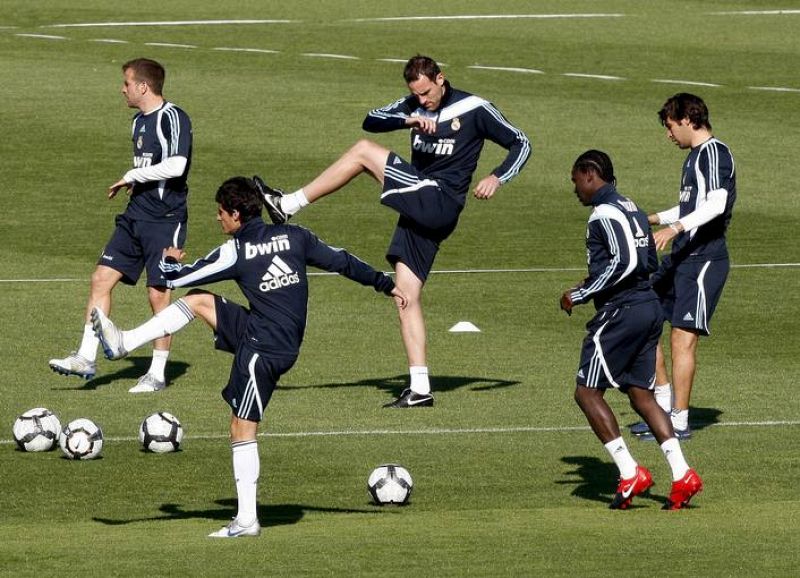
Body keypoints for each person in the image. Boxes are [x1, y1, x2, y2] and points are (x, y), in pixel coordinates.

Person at [91, 176, 406, 537]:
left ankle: (246, 520)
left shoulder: (235, 251)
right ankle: (124, 342)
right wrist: (385, 284)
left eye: (221, 213)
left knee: (242, 427)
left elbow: (174, 278)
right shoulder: (296, 237)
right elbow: (343, 262)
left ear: (237, 214)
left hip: (264, 349)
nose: (218, 219)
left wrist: (168, 260)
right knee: (199, 301)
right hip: (270, 334)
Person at [256, 54, 531, 408]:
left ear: (441, 79)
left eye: (427, 93)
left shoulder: (474, 108)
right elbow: (371, 119)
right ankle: (420, 389)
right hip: (418, 207)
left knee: (362, 152)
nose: (422, 100)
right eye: (416, 95)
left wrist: (498, 177)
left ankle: (288, 204)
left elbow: (522, 142)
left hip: (439, 199)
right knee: (405, 295)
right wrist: (409, 119)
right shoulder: (412, 107)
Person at [561, 150, 702, 510]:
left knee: (587, 393)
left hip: (620, 311)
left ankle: (629, 471)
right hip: (647, 306)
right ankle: (682, 472)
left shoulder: (604, 213)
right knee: (640, 394)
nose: (574, 187)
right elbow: (648, 260)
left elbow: (624, 263)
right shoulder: (632, 207)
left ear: (591, 175)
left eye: (576, 179)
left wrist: (581, 293)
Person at [49, 57, 193, 393]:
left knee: (158, 295)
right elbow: (152, 167)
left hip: (164, 220)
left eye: (126, 83)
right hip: (134, 216)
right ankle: (86, 356)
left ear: (143, 86)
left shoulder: (173, 118)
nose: (122, 89)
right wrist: (136, 183)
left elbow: (176, 165)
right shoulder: (136, 123)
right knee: (101, 277)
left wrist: (132, 175)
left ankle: (156, 373)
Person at [630, 93, 736, 440]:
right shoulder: (694, 158)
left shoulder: (715, 154)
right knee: (645, 319)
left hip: (704, 259)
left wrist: (674, 229)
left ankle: (678, 421)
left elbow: (716, 203)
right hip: (681, 257)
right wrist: (652, 219)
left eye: (671, 126)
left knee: (681, 339)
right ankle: (661, 407)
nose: (669, 134)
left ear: (688, 120)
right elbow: (690, 206)